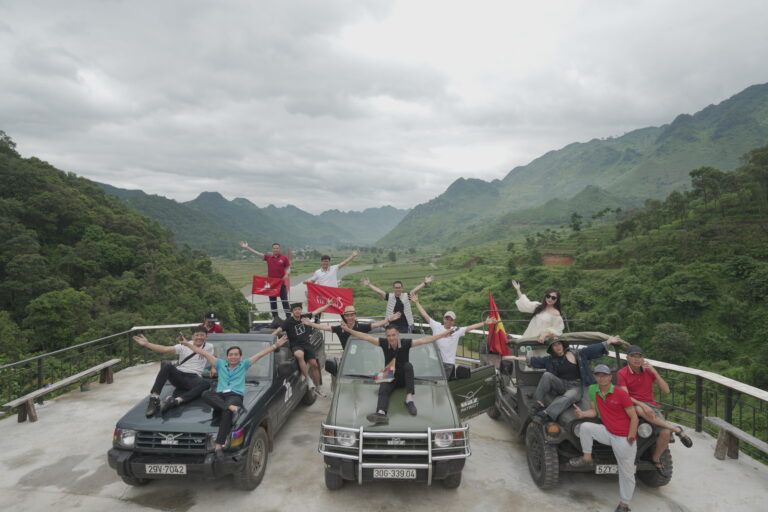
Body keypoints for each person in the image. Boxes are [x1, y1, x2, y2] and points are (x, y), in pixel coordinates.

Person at [180, 334, 288, 457]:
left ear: (240, 357)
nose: (233, 357)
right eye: (231, 355)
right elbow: (202, 352)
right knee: (205, 393)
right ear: (227, 357)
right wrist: (187, 343)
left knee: (226, 413)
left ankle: (218, 446)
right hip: (220, 395)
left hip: (235, 396)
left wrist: (276, 345)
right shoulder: (220, 364)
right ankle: (231, 408)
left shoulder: (244, 364)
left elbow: (260, 354)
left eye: (236, 355)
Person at [339, 323, 451, 424]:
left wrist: (443, 335)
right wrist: (349, 330)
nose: (391, 338)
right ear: (386, 336)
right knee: (383, 388)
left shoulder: (405, 343)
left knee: (408, 366)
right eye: (389, 336)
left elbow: (424, 340)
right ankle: (381, 413)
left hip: (403, 378)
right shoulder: (383, 343)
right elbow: (366, 337)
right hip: (390, 376)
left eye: (393, 335)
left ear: (398, 335)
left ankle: (409, 399)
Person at [504, 334, 623, 423]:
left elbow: (592, 349)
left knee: (569, 397)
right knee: (546, 375)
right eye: (554, 345)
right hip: (561, 384)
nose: (557, 347)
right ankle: (539, 403)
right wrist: (516, 358)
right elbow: (535, 360)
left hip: (576, 386)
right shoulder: (550, 359)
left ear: (562, 345)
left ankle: (547, 412)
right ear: (552, 348)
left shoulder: (577, 354)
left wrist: (608, 342)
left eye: (559, 344)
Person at [570, 364, 639, 512]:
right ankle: (587, 458)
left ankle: (624, 504)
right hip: (608, 432)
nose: (601, 378)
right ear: (595, 377)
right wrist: (582, 414)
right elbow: (594, 412)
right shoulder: (593, 390)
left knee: (626, 473)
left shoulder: (620, 393)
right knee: (585, 427)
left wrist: (631, 437)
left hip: (623, 437)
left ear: (610, 377)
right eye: (598, 375)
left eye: (604, 375)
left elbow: (634, 417)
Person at [617, 344, 693, 476]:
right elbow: (625, 396)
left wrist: (655, 372)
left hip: (650, 406)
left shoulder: (648, 371)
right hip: (633, 404)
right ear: (627, 358)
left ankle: (656, 458)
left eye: (639, 356)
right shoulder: (622, 373)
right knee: (640, 410)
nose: (636, 359)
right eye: (633, 356)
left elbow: (666, 390)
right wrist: (643, 405)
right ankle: (676, 429)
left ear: (643, 358)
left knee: (665, 433)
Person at [133, 326, 215, 417]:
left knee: (206, 384)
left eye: (202, 335)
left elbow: (213, 356)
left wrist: (213, 367)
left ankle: (175, 401)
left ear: (206, 337)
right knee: (167, 364)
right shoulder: (183, 345)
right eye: (197, 335)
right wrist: (147, 344)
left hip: (193, 378)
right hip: (179, 375)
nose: (199, 337)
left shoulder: (209, 347)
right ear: (192, 337)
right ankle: (154, 399)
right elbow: (165, 349)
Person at [410, 293, 497, 379]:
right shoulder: (436, 326)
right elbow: (425, 315)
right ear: (443, 319)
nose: (448, 321)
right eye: (447, 319)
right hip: (434, 360)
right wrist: (417, 302)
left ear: (453, 322)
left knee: (443, 383)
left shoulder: (456, 330)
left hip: (447, 363)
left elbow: (470, 327)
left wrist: (485, 323)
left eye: (451, 320)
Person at [272, 301, 332, 396]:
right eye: (295, 310)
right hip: (296, 345)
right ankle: (307, 378)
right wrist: (268, 339)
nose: (297, 311)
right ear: (292, 311)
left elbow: (316, 311)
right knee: (299, 355)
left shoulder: (305, 317)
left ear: (301, 310)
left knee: (314, 364)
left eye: (299, 309)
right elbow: (278, 330)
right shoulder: (288, 321)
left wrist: (328, 305)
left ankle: (318, 388)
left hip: (307, 344)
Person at [301, 305, 402, 350]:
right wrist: (311, 324)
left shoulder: (361, 326)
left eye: (352, 315)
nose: (350, 318)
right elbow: (325, 327)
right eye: (347, 316)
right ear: (344, 317)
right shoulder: (340, 328)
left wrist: (389, 319)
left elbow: (376, 324)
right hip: (347, 356)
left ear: (355, 315)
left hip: (362, 355)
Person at [239, 241, 291, 323]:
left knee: (284, 301)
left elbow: (288, 267)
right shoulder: (268, 257)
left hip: (280, 283)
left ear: (279, 249)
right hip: (271, 284)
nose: (276, 249)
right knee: (273, 302)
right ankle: (276, 318)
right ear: (272, 249)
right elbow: (258, 254)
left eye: (277, 248)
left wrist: (286, 274)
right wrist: (247, 248)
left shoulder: (284, 258)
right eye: (274, 248)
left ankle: (289, 318)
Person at [361, 275, 434, 333]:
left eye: (399, 288)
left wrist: (425, 282)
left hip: (405, 325)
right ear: (393, 289)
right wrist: (369, 285)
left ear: (402, 288)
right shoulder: (390, 296)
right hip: (392, 325)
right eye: (396, 288)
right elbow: (379, 291)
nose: (398, 289)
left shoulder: (406, 296)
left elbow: (416, 289)